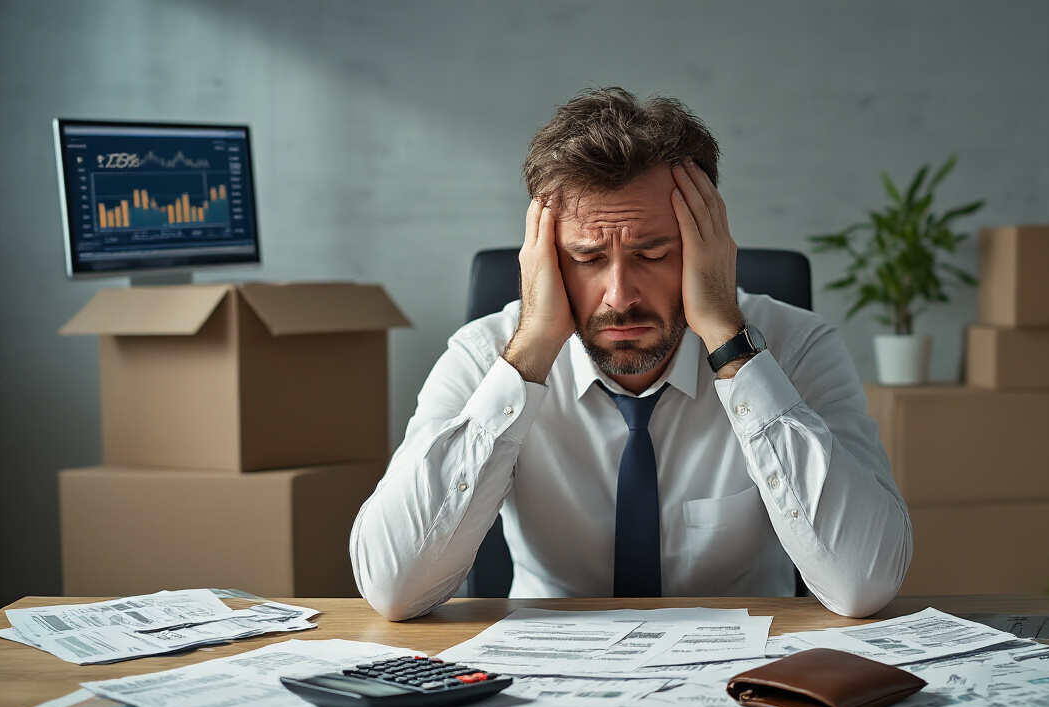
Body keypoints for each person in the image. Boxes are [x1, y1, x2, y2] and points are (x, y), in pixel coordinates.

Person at [351, 87, 911, 621]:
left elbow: (863, 582)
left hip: (744, 672)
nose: (620, 296)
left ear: (704, 248)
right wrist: (530, 354)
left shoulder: (797, 348)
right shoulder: (483, 356)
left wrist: (729, 341)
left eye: (653, 253)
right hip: (549, 671)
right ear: (546, 259)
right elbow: (393, 589)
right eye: (588, 258)